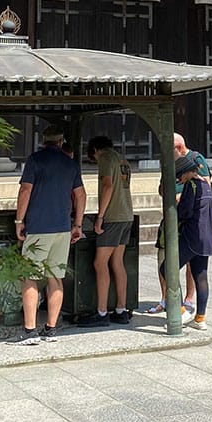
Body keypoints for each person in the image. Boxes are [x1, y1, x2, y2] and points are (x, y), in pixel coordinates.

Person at [16, 125, 86, 345]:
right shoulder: (70, 163)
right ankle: (51, 329)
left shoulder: (35, 160)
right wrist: (78, 224)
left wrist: (19, 221)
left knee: (29, 277)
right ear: (61, 141)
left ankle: (30, 331)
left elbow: (25, 190)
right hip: (63, 228)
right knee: (55, 277)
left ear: (43, 140)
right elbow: (81, 195)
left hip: (38, 227)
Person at [148, 132, 210, 316]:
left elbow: (188, 208)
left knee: (173, 268)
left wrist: (180, 201)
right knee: (199, 273)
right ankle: (197, 316)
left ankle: (183, 307)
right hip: (199, 232)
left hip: (189, 228)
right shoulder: (173, 166)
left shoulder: (193, 179)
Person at [159, 150, 212, 330]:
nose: (179, 180)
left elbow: (185, 212)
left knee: (166, 269)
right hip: (207, 237)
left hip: (191, 236)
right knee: (201, 276)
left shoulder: (191, 185)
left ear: (185, 173)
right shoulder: (206, 184)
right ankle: (200, 318)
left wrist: (175, 209)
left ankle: (181, 311)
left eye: (179, 176)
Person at [87, 135, 134, 326]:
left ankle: (101, 312)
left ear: (95, 150)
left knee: (100, 263)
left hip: (112, 216)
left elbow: (107, 186)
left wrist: (100, 216)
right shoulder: (123, 160)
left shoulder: (105, 158)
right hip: (127, 214)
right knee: (117, 262)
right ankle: (121, 310)